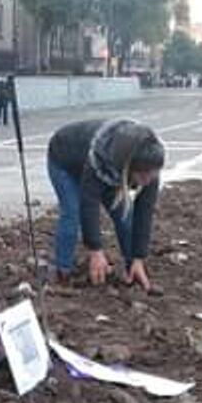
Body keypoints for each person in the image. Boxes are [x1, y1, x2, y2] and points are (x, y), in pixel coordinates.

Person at [46, 119, 165, 291]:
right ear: (129, 169)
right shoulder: (102, 158)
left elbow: (143, 213)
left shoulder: (149, 163)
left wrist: (139, 258)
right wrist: (96, 251)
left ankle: (133, 269)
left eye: (151, 176)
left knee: (125, 216)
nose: (147, 182)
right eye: (143, 176)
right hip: (63, 158)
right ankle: (62, 272)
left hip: (105, 167)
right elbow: (89, 204)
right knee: (72, 211)